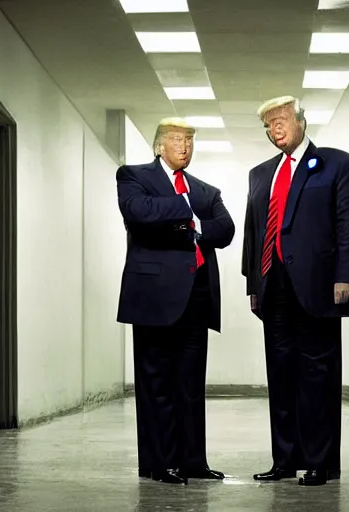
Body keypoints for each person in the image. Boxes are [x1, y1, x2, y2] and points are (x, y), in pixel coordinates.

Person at [241, 96, 349, 486]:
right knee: (280, 375)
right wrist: (253, 283)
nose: (275, 130)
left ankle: (319, 461)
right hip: (272, 287)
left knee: (317, 377)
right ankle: (284, 460)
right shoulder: (260, 174)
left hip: (319, 287)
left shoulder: (335, 163)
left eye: (281, 121)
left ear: (301, 121)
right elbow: (253, 232)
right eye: (268, 126)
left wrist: (345, 275)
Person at [116, 117, 235, 485]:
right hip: (153, 297)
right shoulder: (133, 176)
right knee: (157, 384)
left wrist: (190, 225)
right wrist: (188, 214)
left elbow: (226, 229)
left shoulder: (205, 190)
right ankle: (159, 462)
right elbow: (139, 213)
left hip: (197, 297)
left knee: (189, 384)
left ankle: (193, 462)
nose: (185, 146)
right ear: (158, 146)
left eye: (189, 140)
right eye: (177, 139)